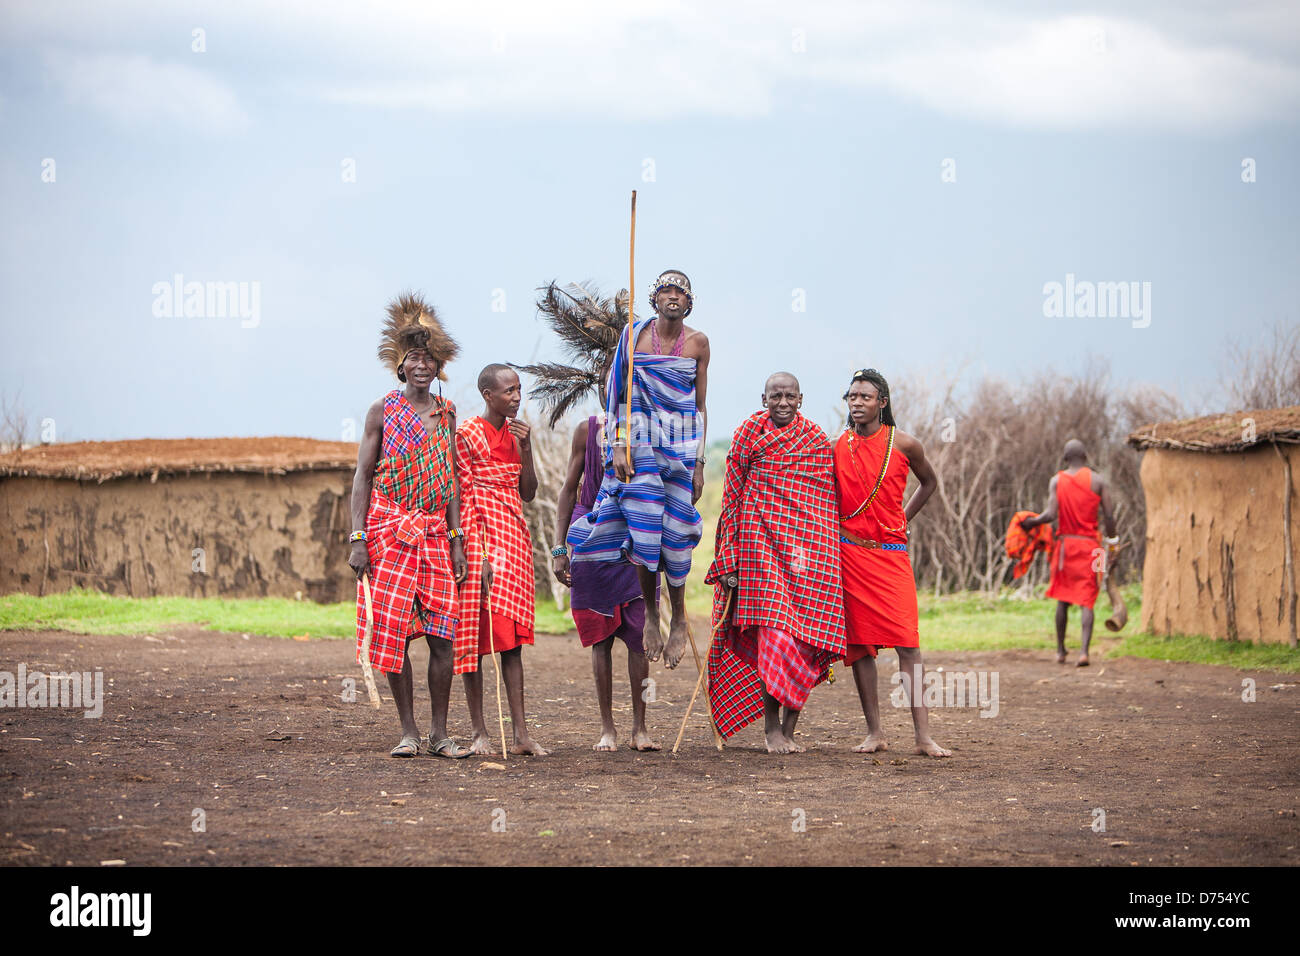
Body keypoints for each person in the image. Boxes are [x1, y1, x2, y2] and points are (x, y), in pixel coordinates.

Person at [349, 292, 472, 759]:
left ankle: (441, 734)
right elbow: (362, 475)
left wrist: (457, 539)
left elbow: (452, 480)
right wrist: (358, 537)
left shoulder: (446, 414)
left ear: (438, 368)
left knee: (444, 635)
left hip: (436, 535)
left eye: (429, 359)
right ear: (400, 367)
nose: (422, 366)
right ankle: (408, 732)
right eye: (414, 359)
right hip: (387, 532)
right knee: (394, 633)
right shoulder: (381, 411)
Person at [567, 270, 709, 670]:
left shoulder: (698, 343)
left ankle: (678, 616)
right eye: (665, 290)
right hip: (640, 442)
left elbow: (699, 408)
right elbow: (617, 394)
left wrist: (699, 462)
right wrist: (617, 444)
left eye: (680, 291)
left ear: (689, 302)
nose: (673, 297)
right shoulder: (634, 336)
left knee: (677, 533)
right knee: (644, 528)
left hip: (680, 444)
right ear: (655, 300)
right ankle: (651, 613)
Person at [705, 372, 845, 753]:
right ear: (763, 398)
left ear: (801, 398)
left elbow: (823, 501)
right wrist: (729, 554)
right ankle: (770, 728)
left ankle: (790, 730)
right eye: (775, 396)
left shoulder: (814, 439)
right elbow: (732, 499)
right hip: (759, 548)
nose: (782, 402)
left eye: (789, 396)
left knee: (806, 639)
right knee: (775, 637)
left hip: (809, 552)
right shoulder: (749, 433)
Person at [835, 368, 950, 758]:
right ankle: (875, 732)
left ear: (882, 402)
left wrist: (903, 518)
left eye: (865, 397)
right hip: (849, 554)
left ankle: (923, 737)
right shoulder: (837, 447)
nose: (857, 403)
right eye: (852, 397)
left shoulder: (904, 444)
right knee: (860, 647)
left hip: (891, 556)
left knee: (908, 644)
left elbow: (929, 483)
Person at [456, 364, 547, 756]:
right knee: (474, 640)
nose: (516, 397)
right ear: (487, 395)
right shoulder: (466, 435)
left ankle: (522, 735)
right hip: (481, 540)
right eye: (508, 391)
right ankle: (479, 733)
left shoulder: (518, 435)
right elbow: (460, 496)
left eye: (518, 390)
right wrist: (476, 552)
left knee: (511, 645)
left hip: (514, 539)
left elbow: (528, 492)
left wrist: (526, 448)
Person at [1019, 439, 1118, 666]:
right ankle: (1083, 652)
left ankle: (1061, 652)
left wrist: (1031, 522)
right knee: (1087, 600)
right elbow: (1110, 517)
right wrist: (1113, 542)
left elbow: (1050, 515)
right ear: (1085, 457)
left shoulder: (1057, 481)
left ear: (1065, 459)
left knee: (1062, 599)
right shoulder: (1098, 480)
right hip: (1092, 548)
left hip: (1065, 548)